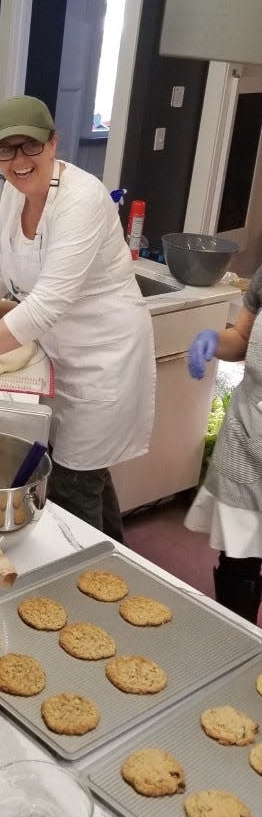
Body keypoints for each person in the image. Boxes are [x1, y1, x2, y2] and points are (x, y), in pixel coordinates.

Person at [0, 95, 156, 542]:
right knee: (87, 472)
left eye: (31, 147)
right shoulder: (13, 191)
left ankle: (88, 589)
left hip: (104, 356)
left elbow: (46, 303)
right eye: (7, 149)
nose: (19, 160)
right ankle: (121, 557)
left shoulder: (82, 199)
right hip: (58, 352)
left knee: (75, 485)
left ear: (53, 144)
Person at [184, 264, 262, 623]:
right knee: (238, 560)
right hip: (248, 439)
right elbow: (243, 339)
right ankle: (237, 639)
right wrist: (216, 340)